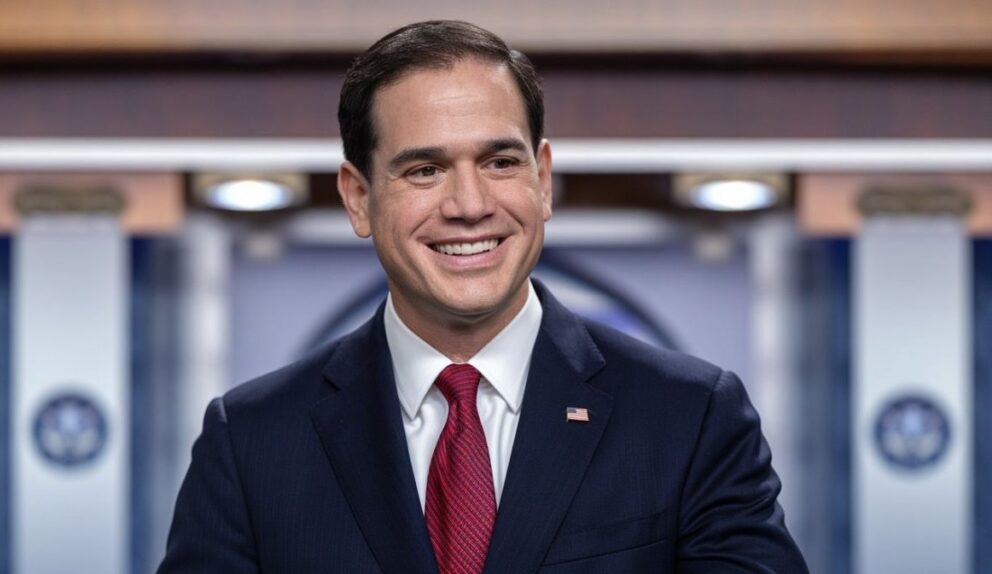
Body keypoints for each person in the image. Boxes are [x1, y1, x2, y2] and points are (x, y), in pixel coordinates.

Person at [159, 20, 808, 573]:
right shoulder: (251, 443)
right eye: (425, 169)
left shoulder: (691, 418)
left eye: (500, 163)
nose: (470, 206)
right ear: (358, 197)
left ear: (543, 179)